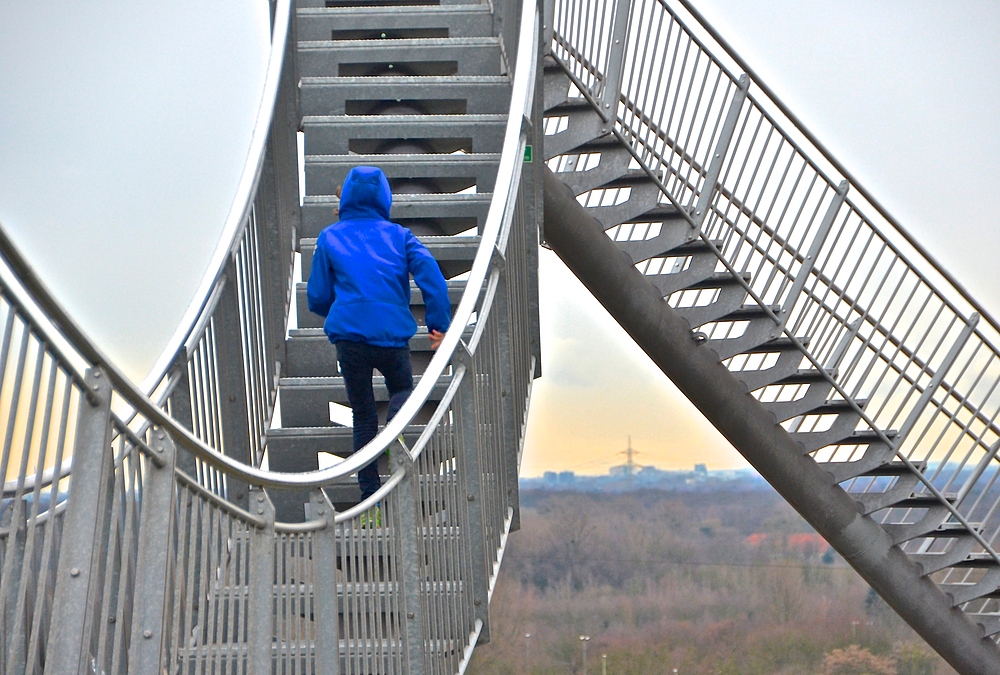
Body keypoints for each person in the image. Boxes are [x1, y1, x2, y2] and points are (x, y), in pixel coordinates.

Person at [307, 166, 451, 506]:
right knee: (402, 390)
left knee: (363, 414)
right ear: (384, 198)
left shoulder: (330, 237)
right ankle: (393, 432)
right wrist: (437, 324)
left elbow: (317, 296)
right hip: (391, 337)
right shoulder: (400, 236)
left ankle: (369, 493)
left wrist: (344, 312)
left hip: (350, 341)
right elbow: (431, 275)